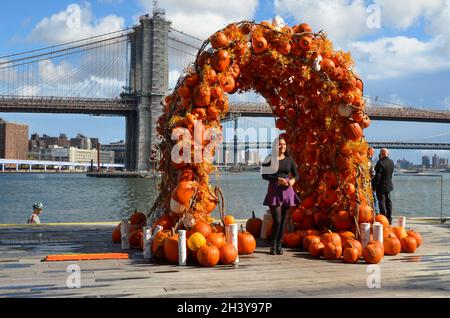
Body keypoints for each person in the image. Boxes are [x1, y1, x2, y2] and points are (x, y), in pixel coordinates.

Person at [261, 137, 299, 255]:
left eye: (284, 144)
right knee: (276, 220)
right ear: (275, 146)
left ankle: (279, 245)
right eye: (279, 144)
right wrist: (277, 179)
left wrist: (293, 181)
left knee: (283, 220)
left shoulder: (289, 160)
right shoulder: (269, 159)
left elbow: (297, 175)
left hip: (288, 191)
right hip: (274, 190)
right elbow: (264, 175)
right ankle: (273, 245)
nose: (282, 146)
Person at [372, 148, 394, 224]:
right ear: (388, 154)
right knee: (389, 202)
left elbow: (378, 177)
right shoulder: (391, 162)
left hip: (381, 187)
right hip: (389, 185)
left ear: (381, 154)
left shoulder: (380, 163)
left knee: (381, 203)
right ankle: (389, 218)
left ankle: (383, 219)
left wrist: (373, 187)